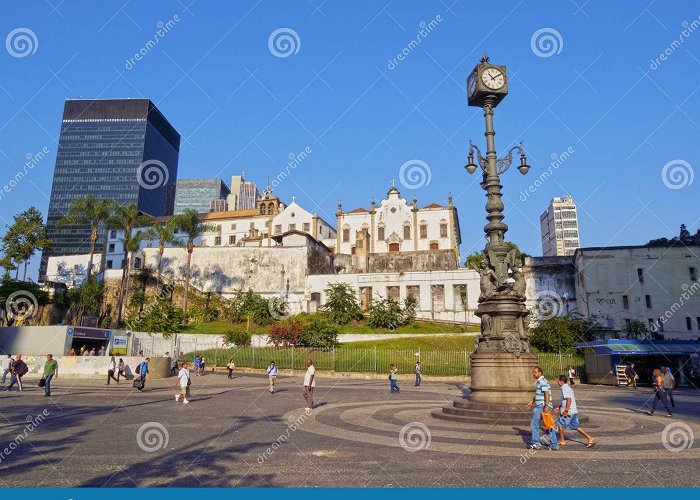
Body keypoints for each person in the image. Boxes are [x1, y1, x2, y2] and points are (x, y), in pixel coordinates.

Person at [554, 375, 595, 448]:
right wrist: (559, 407)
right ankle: (589, 438)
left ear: (561, 381)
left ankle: (562, 440)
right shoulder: (569, 387)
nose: (557, 382)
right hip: (573, 410)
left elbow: (568, 399)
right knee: (576, 426)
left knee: (560, 424)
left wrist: (566, 410)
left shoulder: (564, 388)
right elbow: (565, 400)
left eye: (558, 380)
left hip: (569, 411)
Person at [525, 366, 559, 450]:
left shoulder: (542, 381)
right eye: (533, 372)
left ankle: (536, 443)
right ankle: (554, 444)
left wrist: (546, 406)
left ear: (540, 373)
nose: (534, 374)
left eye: (535, 372)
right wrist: (531, 402)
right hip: (543, 404)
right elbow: (538, 394)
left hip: (542, 405)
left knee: (534, 423)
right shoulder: (540, 381)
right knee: (547, 425)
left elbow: (546, 393)